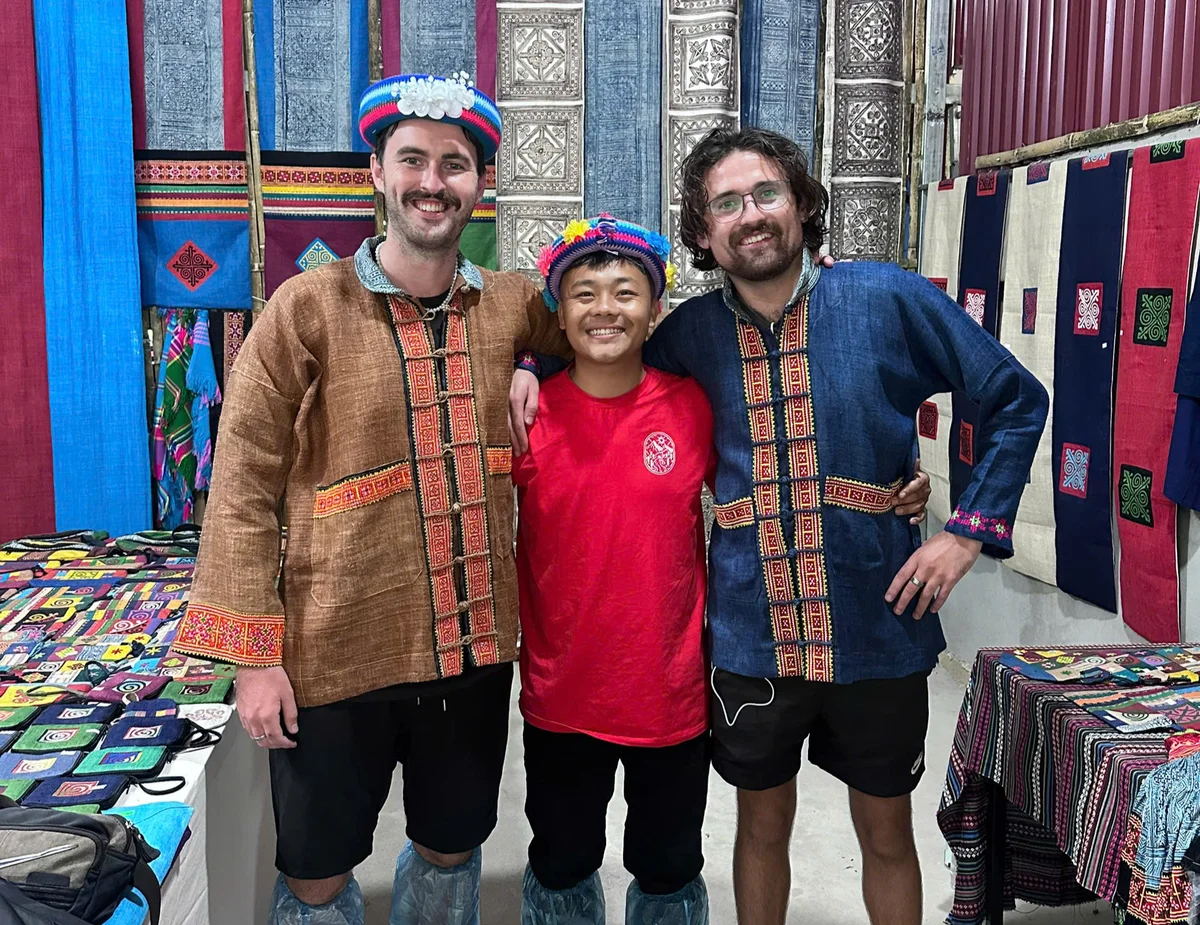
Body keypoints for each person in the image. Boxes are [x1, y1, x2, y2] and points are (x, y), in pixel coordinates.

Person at [510, 126, 1048, 925]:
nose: (750, 214)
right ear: (702, 232)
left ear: (800, 203)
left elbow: (1014, 397)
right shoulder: (688, 336)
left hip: (880, 621)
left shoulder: (883, 298)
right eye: (725, 203)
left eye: (765, 193)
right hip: (749, 635)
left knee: (887, 829)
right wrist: (530, 365)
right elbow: (597, 343)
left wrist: (963, 529)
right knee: (761, 826)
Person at [171, 73, 569, 925]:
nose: (434, 181)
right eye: (414, 160)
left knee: (452, 846)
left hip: (471, 645)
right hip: (334, 648)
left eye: (455, 164)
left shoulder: (512, 302)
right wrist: (253, 654)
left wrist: (536, 364)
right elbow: (240, 484)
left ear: (479, 184)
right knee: (314, 873)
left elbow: (607, 328)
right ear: (378, 175)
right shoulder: (306, 308)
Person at [515, 215, 712, 925]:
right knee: (562, 862)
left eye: (625, 291)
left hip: (668, 693)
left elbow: (773, 483)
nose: (605, 309)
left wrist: (896, 482)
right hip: (562, 693)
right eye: (584, 292)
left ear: (655, 308)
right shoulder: (527, 414)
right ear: (558, 314)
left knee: (668, 870)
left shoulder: (693, 406)